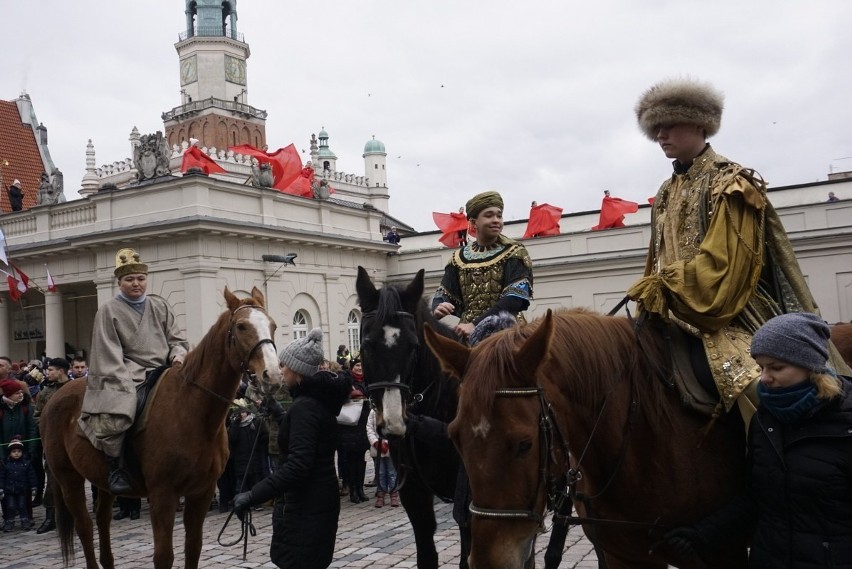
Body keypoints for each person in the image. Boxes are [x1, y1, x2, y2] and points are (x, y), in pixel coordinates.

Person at [627, 77, 850, 419]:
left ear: (701, 124)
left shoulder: (730, 183)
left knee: (754, 387)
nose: (661, 135)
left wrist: (665, 285)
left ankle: (781, 458)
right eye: (656, 128)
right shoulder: (665, 191)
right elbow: (656, 260)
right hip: (673, 310)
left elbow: (725, 270)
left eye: (670, 125)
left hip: (729, 311)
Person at [657, 312, 852, 566]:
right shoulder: (764, 421)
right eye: (761, 367)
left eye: (776, 367)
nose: (765, 377)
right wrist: (703, 534)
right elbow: (758, 498)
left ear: (810, 365)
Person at [232, 328, 350, 569]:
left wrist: (254, 494)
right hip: (316, 502)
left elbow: (298, 466)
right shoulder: (315, 402)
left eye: (285, 365)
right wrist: (277, 411)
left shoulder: (305, 408)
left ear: (298, 372)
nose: (281, 370)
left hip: (306, 507)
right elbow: (307, 434)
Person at [78, 248, 189, 495]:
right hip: (126, 372)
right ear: (119, 283)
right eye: (129, 279)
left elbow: (176, 339)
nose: (136, 284)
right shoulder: (108, 311)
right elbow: (107, 352)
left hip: (165, 368)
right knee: (120, 409)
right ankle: (115, 465)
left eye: (140, 278)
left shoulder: (160, 305)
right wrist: (125, 376)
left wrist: (178, 355)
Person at [432, 190, 533, 341]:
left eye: (499, 215)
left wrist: (475, 325)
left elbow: (514, 299)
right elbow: (443, 293)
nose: (496, 220)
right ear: (473, 223)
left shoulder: (515, 253)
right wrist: (438, 306)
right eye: (489, 215)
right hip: (467, 335)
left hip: (508, 334)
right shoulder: (458, 258)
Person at [32, 358, 72, 533]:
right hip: (54, 443)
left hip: (74, 441)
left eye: (52, 370)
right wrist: (49, 425)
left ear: (61, 371)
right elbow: (36, 415)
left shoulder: (76, 388)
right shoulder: (47, 391)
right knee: (53, 479)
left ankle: (74, 515)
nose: (48, 373)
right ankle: (50, 517)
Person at [336, 356, 370, 504]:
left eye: (361, 365)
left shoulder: (367, 381)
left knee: (361, 459)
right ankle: (353, 490)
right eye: (357, 365)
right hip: (349, 425)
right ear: (352, 367)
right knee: (350, 460)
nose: (359, 368)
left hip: (363, 423)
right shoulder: (347, 380)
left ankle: (360, 488)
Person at [0, 437, 37, 531]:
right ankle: (9, 522)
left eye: (19, 451)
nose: (16, 453)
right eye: (14, 451)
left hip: (22, 489)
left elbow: (31, 476)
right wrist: (1, 488)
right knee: (10, 506)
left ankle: (25, 522)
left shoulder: (26, 464)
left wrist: (34, 487)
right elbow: (2, 477)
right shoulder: (6, 464)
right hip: (10, 490)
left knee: (22, 505)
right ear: (10, 453)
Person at [366, 408, 398, 507]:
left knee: (392, 472)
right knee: (380, 472)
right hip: (377, 447)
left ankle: (393, 495)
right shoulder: (373, 412)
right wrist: (375, 442)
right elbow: (369, 428)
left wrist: (388, 443)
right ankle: (380, 495)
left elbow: (396, 427)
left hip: (390, 447)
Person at [0, 379, 36, 460]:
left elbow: (32, 429)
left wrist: (31, 451)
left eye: (21, 392)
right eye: (17, 393)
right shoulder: (1, 409)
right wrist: (1, 456)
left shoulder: (26, 407)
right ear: (8, 395)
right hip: (5, 454)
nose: (21, 395)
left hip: (24, 452)